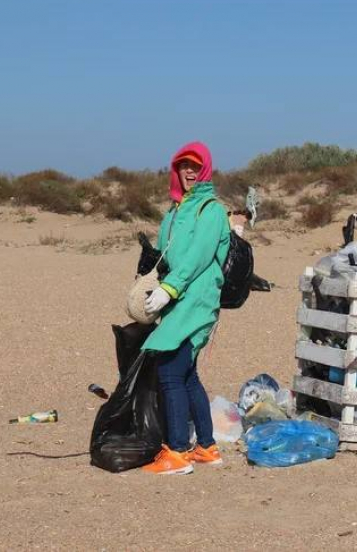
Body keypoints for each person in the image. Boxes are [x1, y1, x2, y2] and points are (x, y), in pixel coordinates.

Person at [140, 141, 231, 475]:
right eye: (183, 165)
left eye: (195, 165)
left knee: (170, 371)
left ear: (205, 169)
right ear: (176, 169)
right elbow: (169, 253)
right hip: (177, 298)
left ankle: (177, 452)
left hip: (197, 299)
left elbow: (198, 256)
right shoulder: (176, 208)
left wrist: (170, 288)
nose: (189, 171)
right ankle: (206, 448)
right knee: (187, 373)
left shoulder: (211, 209)